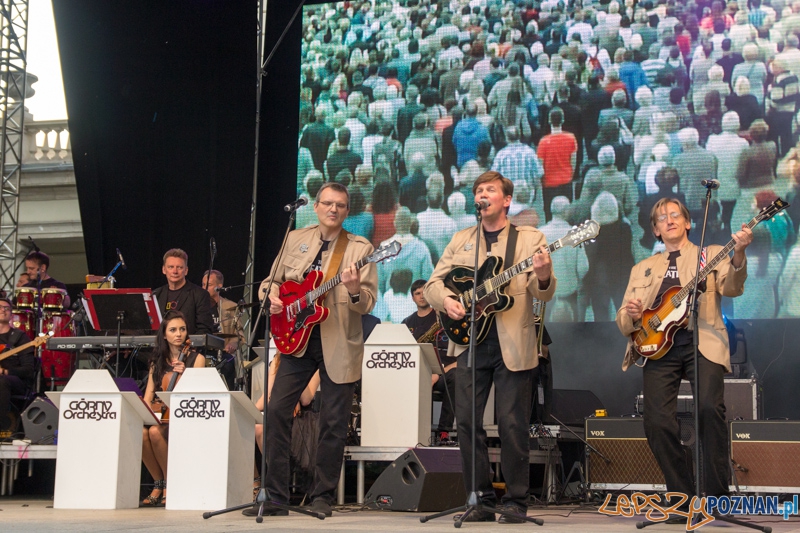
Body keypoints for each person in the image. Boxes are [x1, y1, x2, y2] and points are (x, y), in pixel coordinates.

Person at [424, 171, 555, 523]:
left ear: (506, 200)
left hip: (513, 341)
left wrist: (543, 274)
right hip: (469, 341)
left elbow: (543, 291)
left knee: (512, 424)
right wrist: (449, 301)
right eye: (479, 190)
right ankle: (479, 498)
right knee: (466, 422)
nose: (483, 194)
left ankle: (515, 500)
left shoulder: (529, 239)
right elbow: (433, 285)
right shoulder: (463, 239)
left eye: (491, 190)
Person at [616, 198, 752, 506]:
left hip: (701, 341)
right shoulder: (643, 268)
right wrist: (634, 314)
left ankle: (717, 497)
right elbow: (623, 319)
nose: (670, 219)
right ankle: (681, 495)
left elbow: (732, 288)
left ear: (688, 223)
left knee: (708, 410)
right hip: (657, 348)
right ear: (655, 230)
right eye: (662, 217)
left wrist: (740, 252)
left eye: (675, 214)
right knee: (656, 422)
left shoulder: (711, 254)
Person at [255, 182, 377, 518]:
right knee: (277, 411)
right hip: (296, 338)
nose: (333, 209)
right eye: (327, 203)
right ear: (317, 206)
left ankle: (322, 495)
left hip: (337, 340)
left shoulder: (360, 247)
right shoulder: (295, 238)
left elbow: (367, 303)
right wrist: (274, 298)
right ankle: (276, 497)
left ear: (346, 211)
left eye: (340, 205)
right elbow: (272, 281)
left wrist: (353, 289)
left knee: (333, 421)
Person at [140, 310, 206, 506]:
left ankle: (170, 483)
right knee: (141, 432)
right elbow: (149, 394)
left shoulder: (196, 359)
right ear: (164, 334)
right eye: (173, 330)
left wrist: (186, 375)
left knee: (154, 433)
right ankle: (158, 482)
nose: (179, 334)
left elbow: (199, 394)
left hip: (186, 415)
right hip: (162, 415)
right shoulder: (156, 362)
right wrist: (144, 413)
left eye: (182, 329)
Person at [401, 279, 455, 443]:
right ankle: (406, 431)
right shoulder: (406, 323)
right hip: (416, 373)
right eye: (417, 293)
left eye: (424, 292)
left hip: (445, 373)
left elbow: (460, 358)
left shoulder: (444, 318)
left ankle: (443, 432)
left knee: (457, 377)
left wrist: (437, 374)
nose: (421, 296)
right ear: (412, 298)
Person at [152, 249, 214, 335]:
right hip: (160, 347)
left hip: (187, 347)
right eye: (171, 267)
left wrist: (190, 347)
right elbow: (147, 327)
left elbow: (204, 329)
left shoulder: (200, 295)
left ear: (186, 270)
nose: (175, 271)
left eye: (179, 267)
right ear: (164, 270)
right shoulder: (155, 294)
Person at [0, 298, 35, 435]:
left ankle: (1, 426)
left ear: (11, 314)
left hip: (14, 381)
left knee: (1, 381)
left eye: (7, 308)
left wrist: (5, 371)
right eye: (0, 307)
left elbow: (28, 370)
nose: (3, 310)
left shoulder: (20, 338)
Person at [202, 269, 239, 390]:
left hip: (222, 353)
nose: (205, 288)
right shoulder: (198, 306)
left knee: (228, 364)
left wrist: (232, 344)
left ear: (219, 286)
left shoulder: (231, 306)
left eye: (209, 285)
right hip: (203, 351)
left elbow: (239, 335)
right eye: (203, 285)